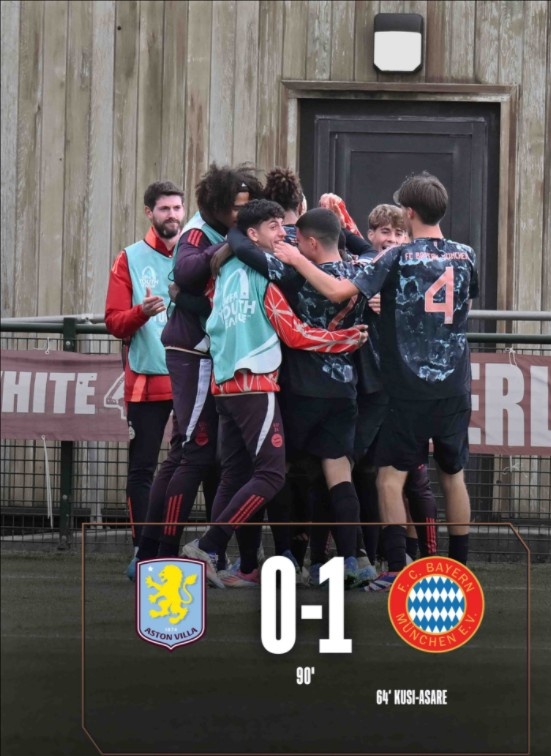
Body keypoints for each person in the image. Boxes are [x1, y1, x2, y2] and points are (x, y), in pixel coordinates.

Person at [274, 172, 479, 590]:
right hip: (455, 382)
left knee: (390, 476)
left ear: (409, 212)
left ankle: (397, 569)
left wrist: (296, 259)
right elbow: (464, 304)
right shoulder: (467, 254)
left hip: (407, 386)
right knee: (453, 474)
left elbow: (337, 291)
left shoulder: (397, 257)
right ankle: (460, 566)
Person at [182, 200, 368, 588]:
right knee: (275, 474)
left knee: (237, 476)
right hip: (260, 383)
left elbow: (206, 306)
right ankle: (211, 547)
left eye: (285, 227)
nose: (283, 234)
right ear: (253, 234)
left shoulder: (226, 270)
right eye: (274, 227)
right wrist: (345, 339)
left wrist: (178, 295)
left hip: (229, 385)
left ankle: (233, 560)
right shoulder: (268, 275)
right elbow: (293, 333)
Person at [134, 164, 265, 568]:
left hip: (213, 353)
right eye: (237, 207)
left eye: (248, 206)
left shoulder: (232, 231)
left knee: (197, 453)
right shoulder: (199, 232)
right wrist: (227, 247)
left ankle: (155, 551)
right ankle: (159, 553)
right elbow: (186, 271)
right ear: (218, 204)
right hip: (194, 352)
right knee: (192, 451)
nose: (242, 214)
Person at [324, 199, 439, 565]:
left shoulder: (418, 269)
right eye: (384, 232)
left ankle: (424, 559)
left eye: (399, 232)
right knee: (367, 471)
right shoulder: (366, 269)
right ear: (372, 235)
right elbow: (353, 256)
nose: (391, 239)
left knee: (414, 479)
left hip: (406, 391)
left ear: (409, 236)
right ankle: (374, 557)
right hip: (370, 389)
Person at [104, 180, 185, 578]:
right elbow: (114, 323)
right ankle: (143, 551)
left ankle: (198, 550)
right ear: (149, 213)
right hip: (147, 381)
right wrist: (141, 312)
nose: (172, 215)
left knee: (202, 466)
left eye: (177, 208)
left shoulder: (197, 253)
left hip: (193, 378)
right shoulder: (129, 258)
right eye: (165, 209)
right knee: (142, 469)